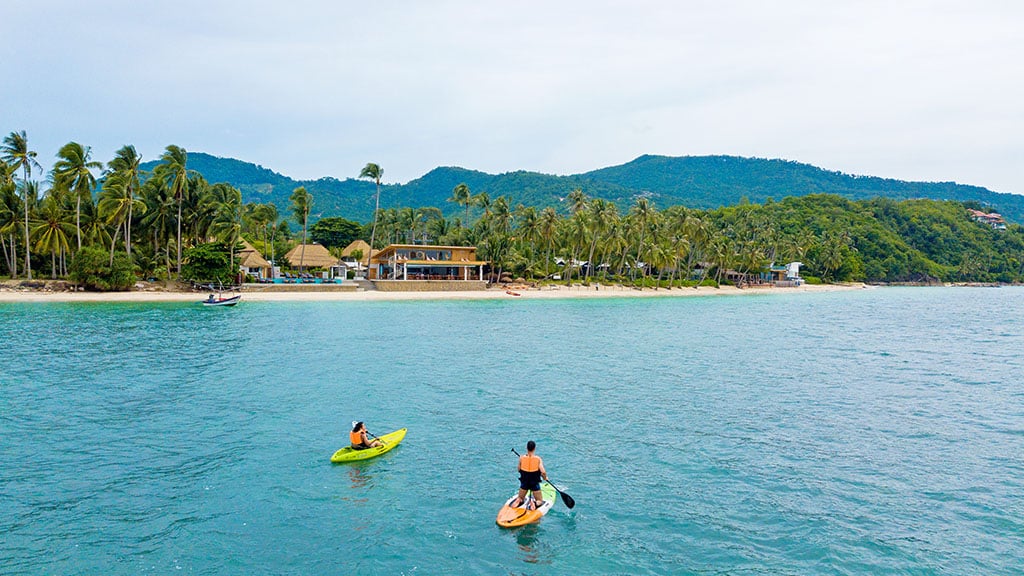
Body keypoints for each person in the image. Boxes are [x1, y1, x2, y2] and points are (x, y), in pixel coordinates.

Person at [510, 440, 548, 510]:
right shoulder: (538, 459)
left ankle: (519, 500)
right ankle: (534, 502)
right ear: (534, 448)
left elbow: (518, 469)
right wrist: (545, 478)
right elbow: (543, 472)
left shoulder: (521, 458)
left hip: (524, 482)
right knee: (539, 500)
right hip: (534, 483)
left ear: (526, 448)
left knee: (520, 497)